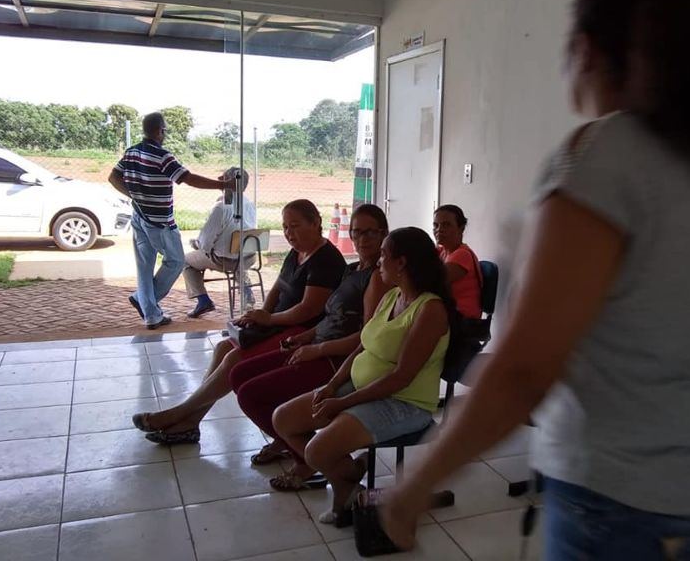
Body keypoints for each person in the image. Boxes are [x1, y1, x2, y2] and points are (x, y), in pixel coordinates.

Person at [381, 0, 690, 559]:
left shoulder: (601, 158)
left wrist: (413, 488)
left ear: (589, 50)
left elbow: (525, 369)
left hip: (622, 509)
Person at [273, 227, 454, 525]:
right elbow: (362, 346)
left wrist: (343, 403)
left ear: (402, 263)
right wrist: (332, 386)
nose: (378, 261)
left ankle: (347, 489)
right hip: (360, 387)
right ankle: (351, 481)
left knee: (317, 451)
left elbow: (401, 378)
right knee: (284, 419)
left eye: (384, 254)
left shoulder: (430, 310)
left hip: (403, 403)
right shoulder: (392, 295)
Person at [131, 199, 345, 443]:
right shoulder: (298, 252)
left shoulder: (325, 260)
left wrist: (269, 318)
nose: (289, 233)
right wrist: (261, 316)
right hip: (278, 324)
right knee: (223, 347)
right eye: (285, 227)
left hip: (302, 333)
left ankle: (179, 415)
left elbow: (308, 310)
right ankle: (191, 421)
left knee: (234, 358)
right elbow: (278, 287)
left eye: (295, 226)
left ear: (315, 223)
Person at [230, 204, 391, 490]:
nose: (362, 239)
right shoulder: (353, 269)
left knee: (251, 394)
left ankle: (314, 461)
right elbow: (332, 318)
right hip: (317, 345)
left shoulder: (376, 277)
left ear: (383, 234)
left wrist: (317, 349)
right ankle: (305, 449)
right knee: (239, 373)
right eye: (357, 232)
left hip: (338, 359)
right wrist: (306, 337)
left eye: (370, 233)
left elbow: (366, 338)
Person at [108, 112, 236, 329]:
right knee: (176, 262)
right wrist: (223, 185)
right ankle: (143, 301)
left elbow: (113, 177)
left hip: (139, 217)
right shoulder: (163, 156)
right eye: (165, 130)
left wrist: (135, 196)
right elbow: (187, 178)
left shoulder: (131, 153)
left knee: (144, 267)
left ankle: (151, 315)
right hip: (160, 222)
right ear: (161, 131)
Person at [183, 166, 257, 318]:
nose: (218, 180)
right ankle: (247, 292)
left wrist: (196, 244)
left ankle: (203, 300)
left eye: (223, 178)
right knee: (236, 252)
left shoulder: (221, 208)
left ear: (229, 182)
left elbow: (205, 242)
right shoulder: (250, 204)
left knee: (185, 261)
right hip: (249, 257)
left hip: (225, 261)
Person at [433, 204, 482, 319]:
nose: (439, 230)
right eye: (436, 225)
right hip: (446, 313)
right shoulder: (442, 251)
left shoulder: (462, 254)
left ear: (461, 228)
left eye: (446, 225)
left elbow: (432, 282)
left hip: (462, 318)